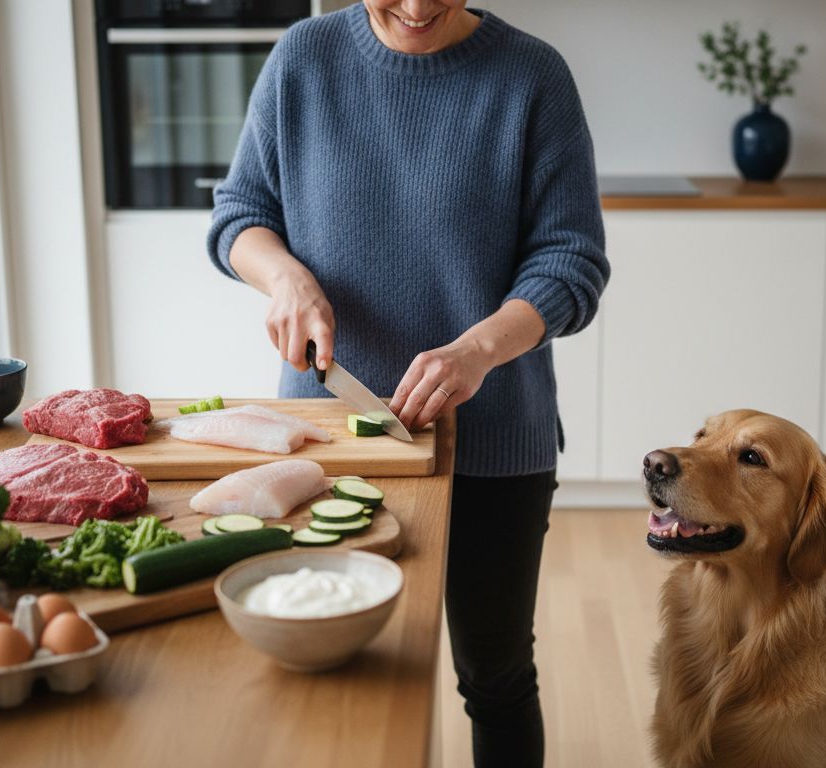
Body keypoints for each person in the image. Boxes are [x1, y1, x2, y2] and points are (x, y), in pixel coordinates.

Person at [206, 1, 608, 764]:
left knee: (494, 676)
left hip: (493, 441)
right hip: (328, 439)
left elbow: (572, 260)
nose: (419, 8)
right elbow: (242, 214)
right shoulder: (303, 60)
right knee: (334, 677)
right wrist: (284, 276)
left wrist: (480, 350)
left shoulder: (532, 77)